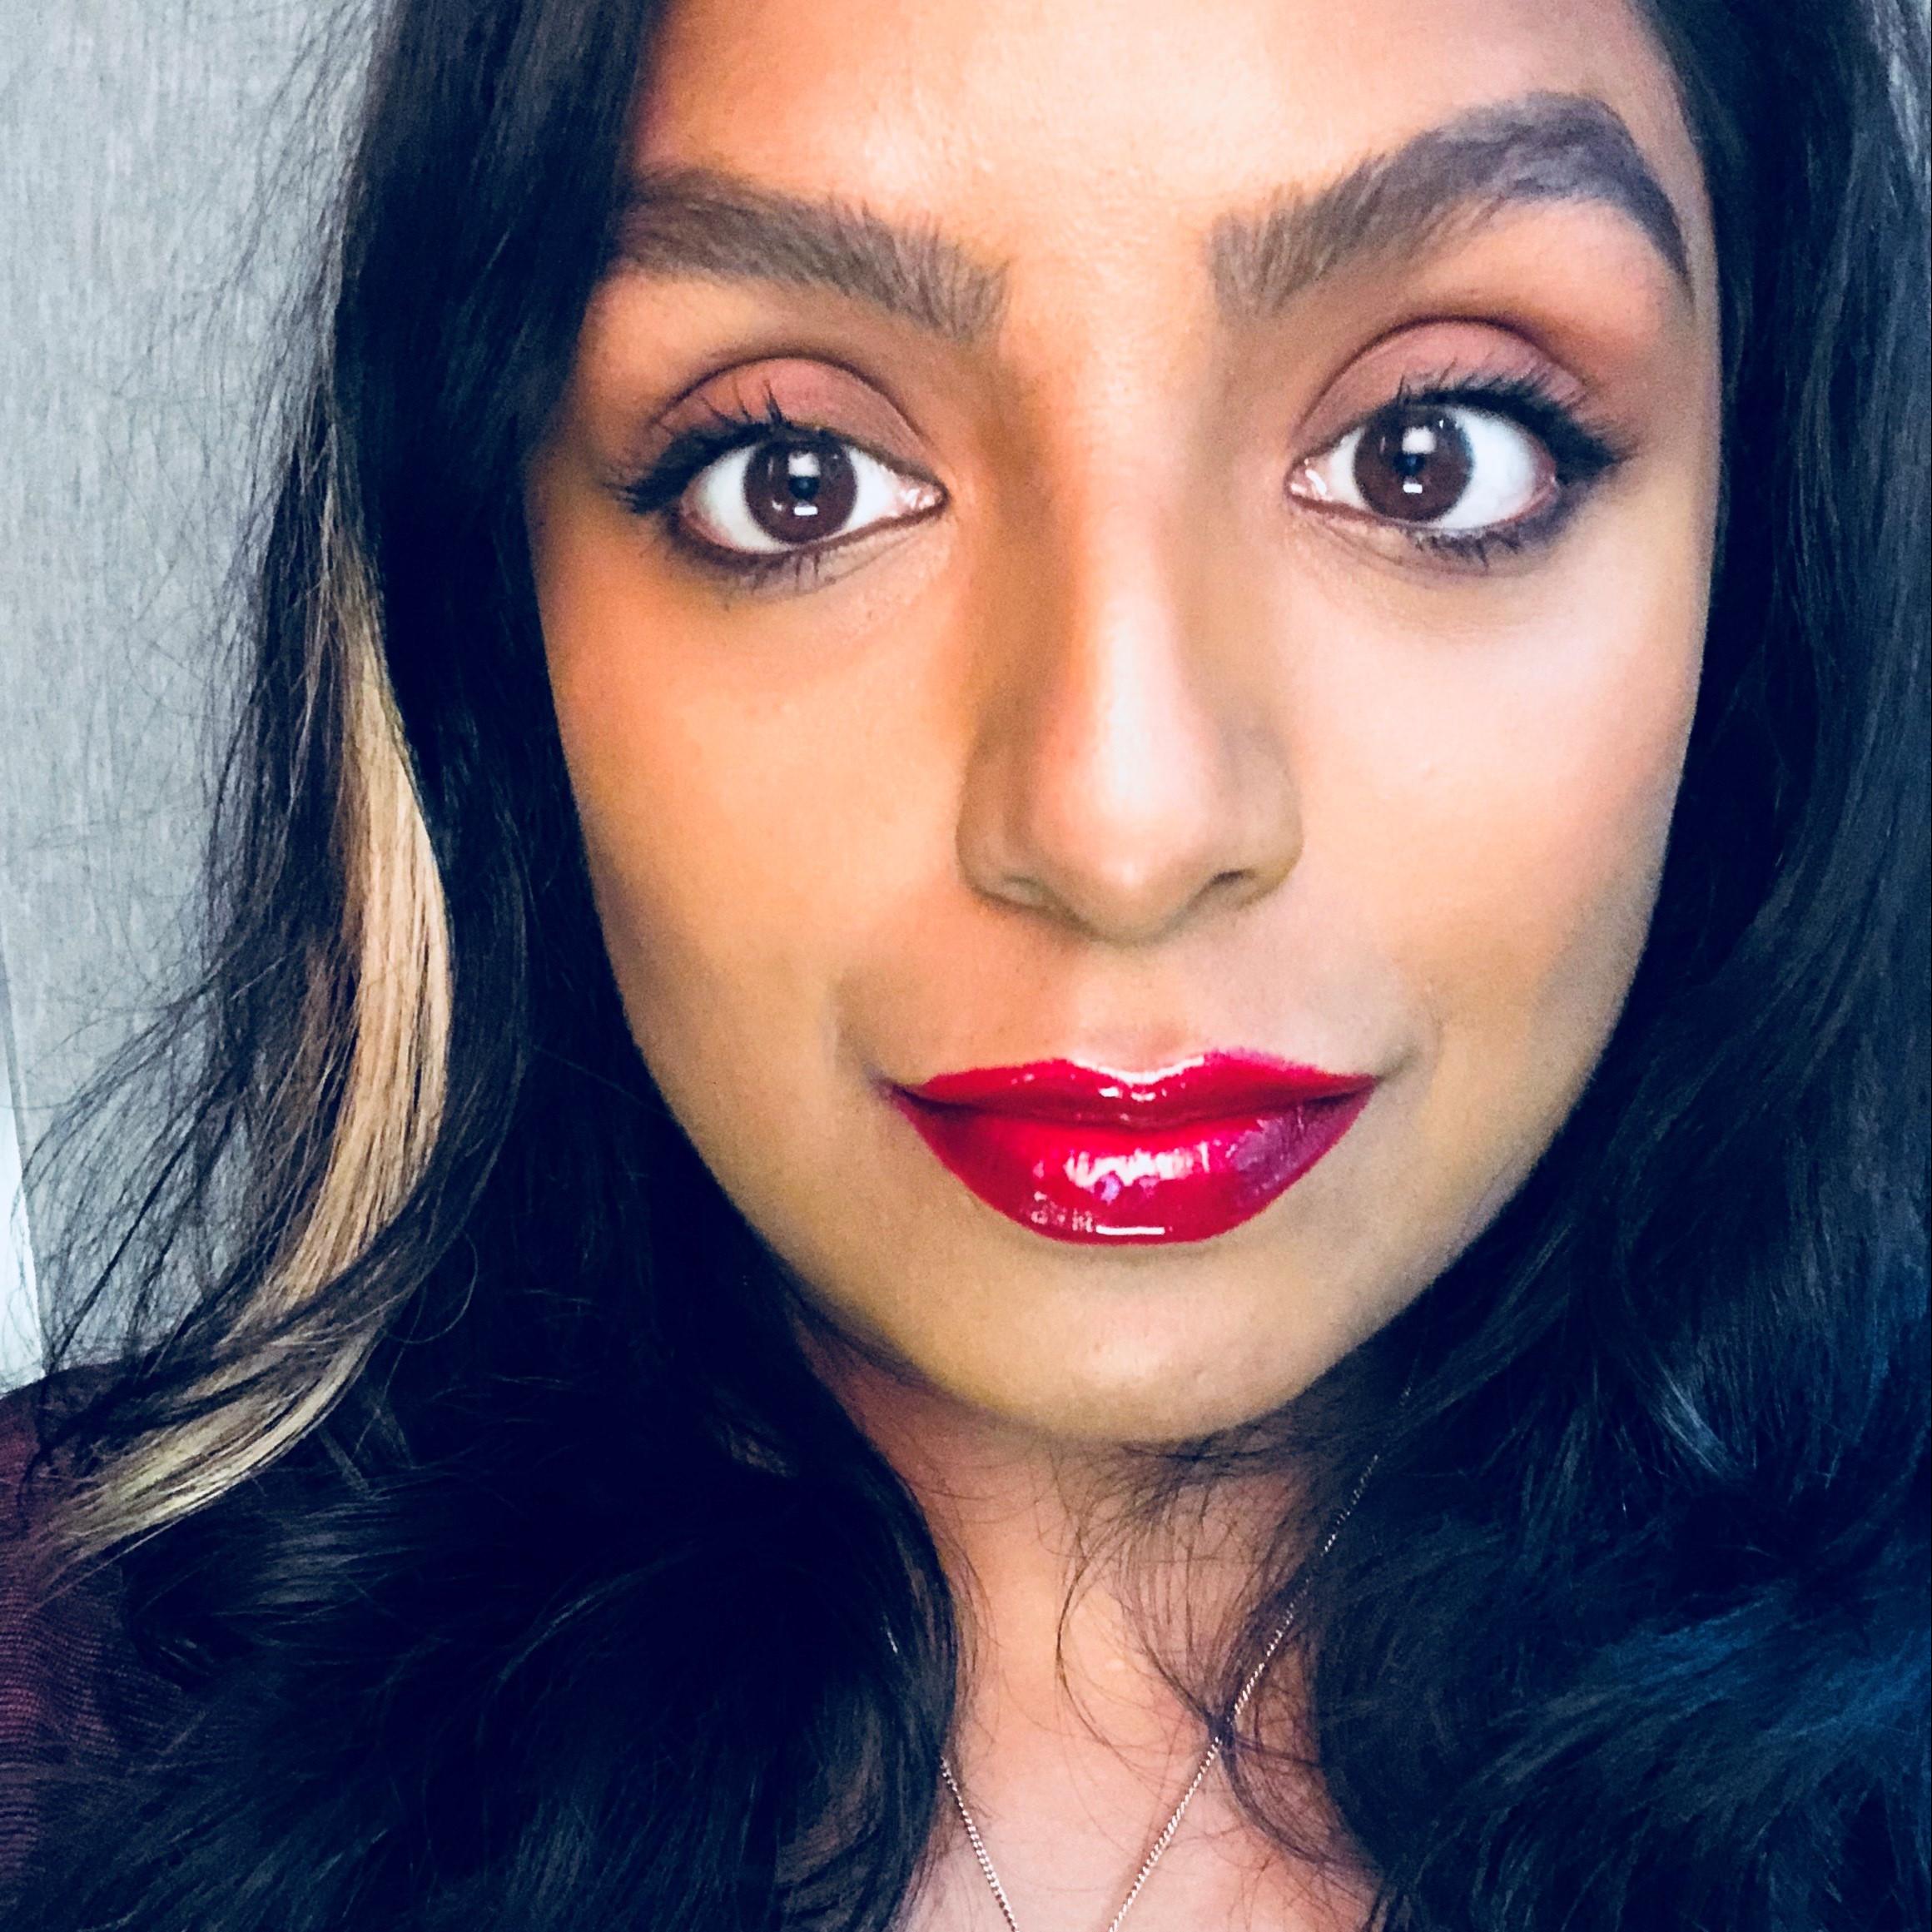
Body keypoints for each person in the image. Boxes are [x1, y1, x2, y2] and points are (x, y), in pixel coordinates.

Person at [2, 0, 1925, 1926]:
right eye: (796, 476)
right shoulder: (71, 1703)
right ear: (498, 619)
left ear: (1755, 549)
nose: (1121, 831)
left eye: (1431, 455)